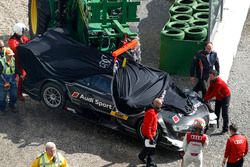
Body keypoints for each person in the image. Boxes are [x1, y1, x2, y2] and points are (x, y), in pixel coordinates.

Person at [138, 98, 163, 167]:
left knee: (147, 148)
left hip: (152, 134)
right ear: (156, 105)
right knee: (151, 149)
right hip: (149, 135)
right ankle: (150, 164)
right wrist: (151, 138)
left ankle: (141, 156)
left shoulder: (154, 110)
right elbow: (147, 127)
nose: (161, 107)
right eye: (160, 106)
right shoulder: (151, 113)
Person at [8, 22, 30, 101]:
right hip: (15, 63)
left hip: (22, 61)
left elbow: (28, 42)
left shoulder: (22, 37)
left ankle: (21, 92)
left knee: (23, 77)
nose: (24, 34)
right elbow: (17, 50)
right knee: (17, 79)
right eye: (23, 32)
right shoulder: (12, 41)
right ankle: (18, 94)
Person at [0, 48, 18, 114]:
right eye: (10, 55)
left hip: (12, 80)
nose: (11, 56)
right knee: (2, 97)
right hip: (3, 81)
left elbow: (15, 70)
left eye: (12, 55)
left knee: (14, 95)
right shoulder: (1, 61)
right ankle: (2, 109)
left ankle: (12, 105)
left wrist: (17, 76)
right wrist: (5, 82)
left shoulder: (13, 59)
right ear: (6, 55)